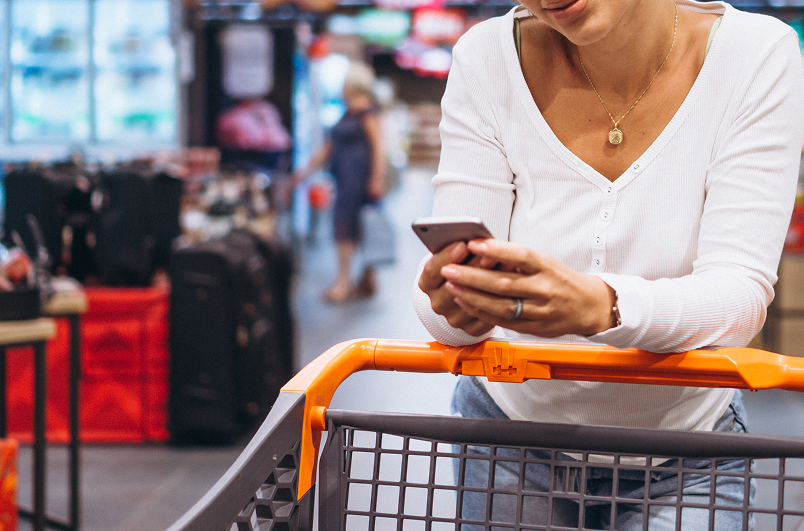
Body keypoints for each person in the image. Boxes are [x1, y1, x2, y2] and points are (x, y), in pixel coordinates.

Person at [412, 0, 804, 529]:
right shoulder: (487, 58)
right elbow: (444, 295)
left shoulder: (755, 54)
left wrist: (603, 306)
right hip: (509, 434)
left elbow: (739, 296)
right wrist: (458, 305)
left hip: (686, 453)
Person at [295, 60, 385, 303]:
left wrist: (376, 179)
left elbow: (378, 148)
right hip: (346, 178)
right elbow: (329, 147)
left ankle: (346, 283)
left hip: (360, 180)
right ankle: (361, 280)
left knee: (355, 228)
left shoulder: (367, 113)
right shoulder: (349, 113)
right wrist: (306, 170)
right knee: (352, 228)